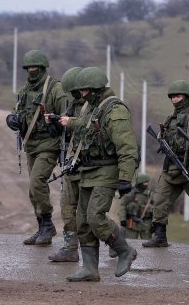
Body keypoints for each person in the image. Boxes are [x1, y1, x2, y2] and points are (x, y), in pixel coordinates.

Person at [65, 67, 139, 282]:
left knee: (95, 216)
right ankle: (89, 268)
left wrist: (125, 177)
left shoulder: (115, 111)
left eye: (86, 91)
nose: (82, 95)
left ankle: (125, 250)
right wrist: (65, 122)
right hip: (87, 169)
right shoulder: (91, 108)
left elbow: (127, 148)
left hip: (107, 170)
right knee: (82, 221)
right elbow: (82, 127)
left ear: (97, 89)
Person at [6, 50, 66, 246]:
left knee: (37, 182)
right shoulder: (24, 90)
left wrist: (55, 121)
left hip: (49, 143)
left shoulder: (55, 89)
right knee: (33, 190)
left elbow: (66, 116)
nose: (32, 71)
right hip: (30, 144)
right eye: (29, 68)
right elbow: (16, 110)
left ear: (42, 68)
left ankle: (48, 224)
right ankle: (41, 226)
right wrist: (11, 119)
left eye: (35, 68)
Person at [142, 80, 189, 248]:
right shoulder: (171, 118)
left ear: (186, 97)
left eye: (178, 96)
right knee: (159, 199)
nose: (174, 99)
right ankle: (159, 236)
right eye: (172, 96)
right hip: (172, 167)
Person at [48, 67, 88, 262]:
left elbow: (88, 126)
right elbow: (63, 133)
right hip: (71, 165)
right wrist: (55, 122)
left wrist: (69, 122)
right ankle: (70, 247)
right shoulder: (72, 106)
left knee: (89, 212)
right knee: (67, 207)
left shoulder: (93, 107)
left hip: (89, 166)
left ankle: (114, 240)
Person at [119, 173, 154, 239]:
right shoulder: (130, 194)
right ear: (140, 183)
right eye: (145, 182)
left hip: (146, 224)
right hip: (132, 223)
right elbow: (122, 206)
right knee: (130, 242)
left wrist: (155, 224)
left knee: (148, 244)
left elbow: (156, 209)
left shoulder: (150, 195)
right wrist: (122, 219)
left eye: (147, 182)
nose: (147, 184)